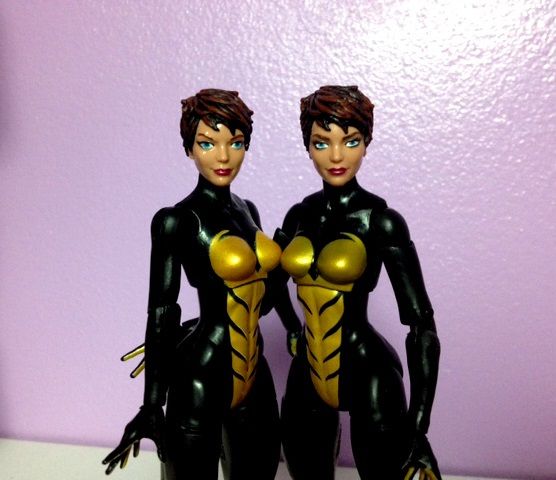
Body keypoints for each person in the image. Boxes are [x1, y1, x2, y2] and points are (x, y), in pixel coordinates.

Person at [103, 89, 281, 480]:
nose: (223, 156)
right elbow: (162, 311)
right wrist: (152, 404)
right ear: (189, 149)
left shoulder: (248, 210)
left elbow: (263, 299)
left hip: (256, 372)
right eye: (208, 143)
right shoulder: (177, 220)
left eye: (236, 143)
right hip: (202, 373)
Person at [274, 85, 442, 479]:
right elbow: (268, 285)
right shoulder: (299, 215)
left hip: (367, 368)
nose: (336, 156)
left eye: (350, 141)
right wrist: (291, 327)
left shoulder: (382, 222)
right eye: (321, 142)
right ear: (308, 146)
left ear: (366, 143)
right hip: (307, 369)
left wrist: (418, 427)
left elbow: (421, 326)